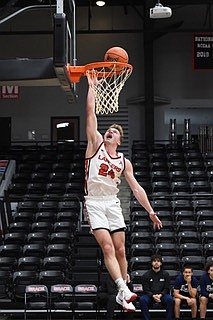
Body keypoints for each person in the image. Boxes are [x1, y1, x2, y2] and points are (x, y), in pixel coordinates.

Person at [84, 73, 162, 312]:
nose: (109, 132)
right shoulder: (94, 144)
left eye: (114, 132)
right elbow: (90, 114)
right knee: (107, 248)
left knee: (120, 249)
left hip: (113, 202)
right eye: (108, 130)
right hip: (95, 202)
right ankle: (123, 289)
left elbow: (136, 188)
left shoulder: (124, 162)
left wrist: (150, 211)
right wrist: (92, 88)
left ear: (119, 139)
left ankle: (123, 289)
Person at [139, 254, 173, 320]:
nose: (156, 262)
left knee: (169, 299)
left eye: (158, 261)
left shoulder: (166, 274)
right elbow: (146, 289)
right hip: (150, 296)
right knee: (142, 299)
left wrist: (160, 295)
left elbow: (167, 288)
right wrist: (153, 296)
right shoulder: (146, 275)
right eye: (154, 261)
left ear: (161, 263)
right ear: (152, 263)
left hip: (162, 296)